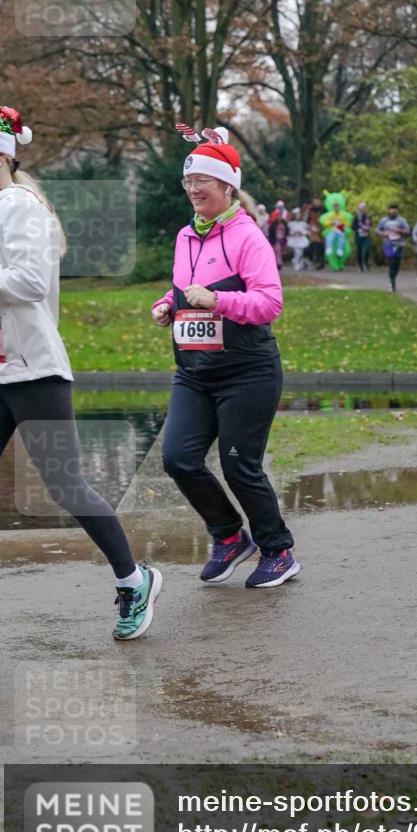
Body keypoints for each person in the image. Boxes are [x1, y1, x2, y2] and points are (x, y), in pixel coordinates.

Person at [0, 103, 162, 642]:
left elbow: (30, 282)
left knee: (66, 486)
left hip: (36, 373)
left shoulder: (20, 206)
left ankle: (135, 580)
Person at [151, 124, 300, 588]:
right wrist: (169, 304)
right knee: (177, 458)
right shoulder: (185, 236)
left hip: (246, 373)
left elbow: (269, 302)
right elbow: (188, 290)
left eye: (203, 183)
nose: (193, 190)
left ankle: (278, 550)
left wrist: (217, 303)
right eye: (188, 182)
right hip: (194, 372)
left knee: (238, 462)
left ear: (227, 187)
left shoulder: (247, 237)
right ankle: (230, 538)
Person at [375, 204, 410, 292]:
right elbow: (377, 230)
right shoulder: (384, 220)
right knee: (391, 262)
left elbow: (408, 230)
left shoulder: (401, 220)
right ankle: (392, 282)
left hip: (399, 244)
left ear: (397, 211)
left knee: (397, 264)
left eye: (395, 210)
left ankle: (393, 278)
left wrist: (400, 231)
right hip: (388, 243)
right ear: (388, 210)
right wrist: (384, 234)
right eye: (391, 209)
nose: (393, 211)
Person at [352, 202, 372, 272]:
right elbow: (353, 226)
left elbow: (370, 225)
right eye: (362, 207)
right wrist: (359, 229)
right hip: (359, 234)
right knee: (359, 250)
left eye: (365, 207)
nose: (364, 209)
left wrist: (366, 228)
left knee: (368, 248)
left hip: (366, 234)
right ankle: (360, 265)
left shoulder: (368, 216)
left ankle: (365, 263)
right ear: (359, 208)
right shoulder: (356, 216)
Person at [306, 196, 325, 269]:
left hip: (321, 231)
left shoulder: (323, 210)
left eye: (317, 201)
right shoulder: (311, 210)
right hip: (313, 232)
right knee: (313, 247)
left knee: (321, 248)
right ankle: (315, 261)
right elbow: (308, 220)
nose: (316, 203)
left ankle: (320, 262)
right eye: (314, 202)